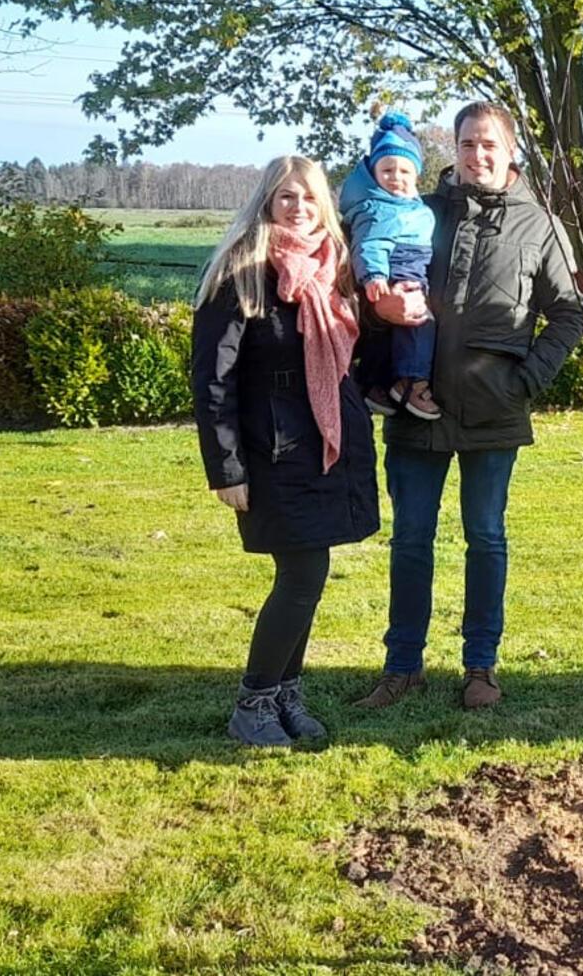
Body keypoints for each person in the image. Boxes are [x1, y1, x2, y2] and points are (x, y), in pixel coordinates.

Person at [354, 101, 583, 712]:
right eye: (465, 144)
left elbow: (569, 315)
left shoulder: (540, 226)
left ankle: (481, 665)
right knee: (410, 539)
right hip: (417, 407)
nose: (477, 155)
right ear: (452, 151)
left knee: (486, 538)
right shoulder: (418, 214)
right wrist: (388, 371)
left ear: (511, 151)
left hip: (494, 410)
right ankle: (402, 666)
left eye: (489, 144)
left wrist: (525, 381)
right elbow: (375, 298)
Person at [191, 155, 380, 748]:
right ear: (266, 203)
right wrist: (226, 468)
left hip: (331, 443)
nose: (297, 208)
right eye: (285, 197)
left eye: (307, 197)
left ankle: (283, 698)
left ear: (323, 204)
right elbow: (212, 380)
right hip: (272, 450)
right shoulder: (240, 272)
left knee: (308, 575)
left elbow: (359, 354)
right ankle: (253, 703)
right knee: (303, 573)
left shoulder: (335, 267)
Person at [341, 110, 441, 419]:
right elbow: (369, 243)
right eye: (387, 170)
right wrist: (374, 274)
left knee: (389, 332)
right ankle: (411, 381)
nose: (396, 178)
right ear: (373, 172)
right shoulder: (376, 208)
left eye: (404, 171)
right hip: (398, 266)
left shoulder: (406, 204)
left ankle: (375, 384)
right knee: (419, 320)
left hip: (412, 262)